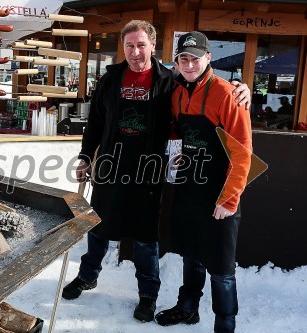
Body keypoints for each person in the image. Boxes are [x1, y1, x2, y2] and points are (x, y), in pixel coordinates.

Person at [62, 20, 251, 324]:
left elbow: (207, 100)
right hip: (111, 167)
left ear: (152, 46)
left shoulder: (169, 82)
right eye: (129, 46)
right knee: (97, 227)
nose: (135, 52)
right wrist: (86, 156)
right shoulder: (110, 80)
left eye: (141, 45)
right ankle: (87, 276)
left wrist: (242, 90)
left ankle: (148, 295)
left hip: (149, 172)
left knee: (145, 238)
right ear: (123, 48)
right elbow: (95, 122)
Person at [154, 31, 252, 333]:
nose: (189, 63)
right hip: (189, 189)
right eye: (183, 58)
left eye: (195, 57)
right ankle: (187, 308)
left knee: (221, 268)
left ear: (208, 58)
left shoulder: (227, 94)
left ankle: (225, 324)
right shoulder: (178, 93)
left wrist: (228, 200)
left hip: (218, 194)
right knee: (191, 254)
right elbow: (176, 133)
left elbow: (243, 153)